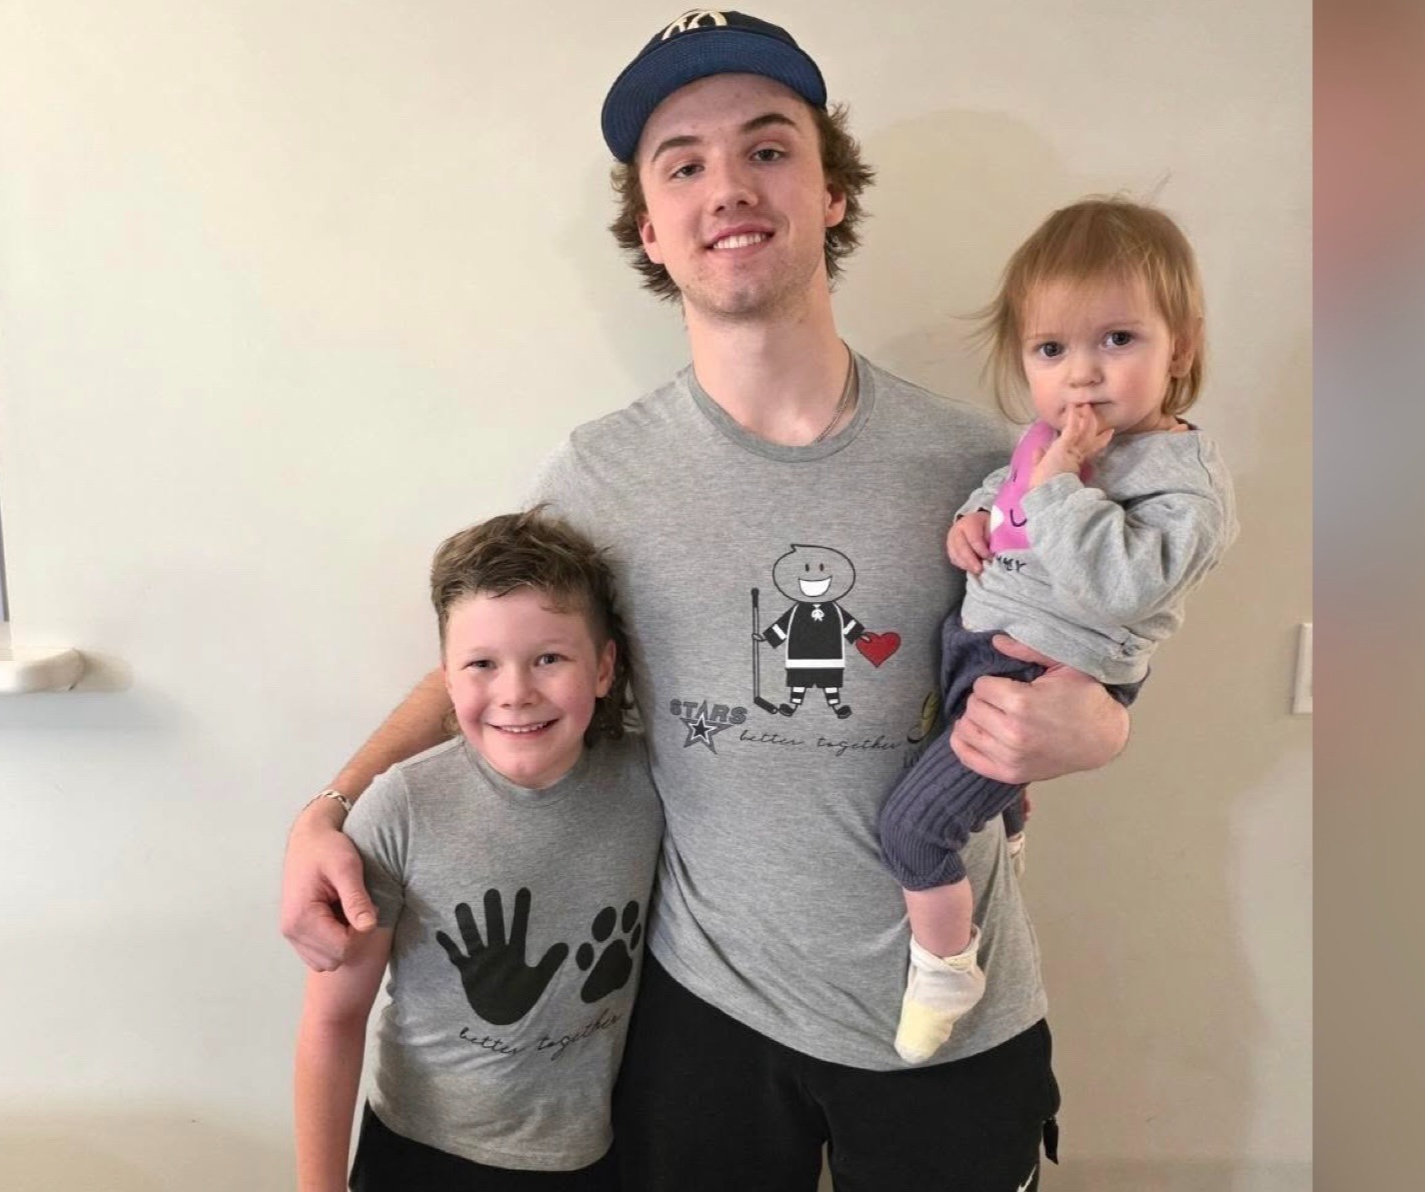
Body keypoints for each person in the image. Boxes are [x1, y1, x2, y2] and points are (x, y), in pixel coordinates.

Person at [282, 12, 1131, 1190]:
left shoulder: (979, 464)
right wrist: (330, 807)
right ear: (650, 228)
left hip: (955, 1007)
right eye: (682, 162)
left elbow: (1098, 632)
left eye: (769, 147)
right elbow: (493, 662)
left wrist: (1110, 725)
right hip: (706, 1022)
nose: (727, 184)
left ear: (833, 190)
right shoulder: (602, 474)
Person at [879, 198, 1239, 1064]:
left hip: (1048, 677)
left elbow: (1119, 584)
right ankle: (1012, 818)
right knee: (969, 789)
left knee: (911, 830)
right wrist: (974, 520)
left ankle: (946, 968)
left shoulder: (1186, 489)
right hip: (982, 652)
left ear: (1180, 346)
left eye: (1117, 340)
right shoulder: (1046, 442)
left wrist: (1058, 483)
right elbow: (1007, 500)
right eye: (1052, 350)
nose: (1081, 376)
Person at [291, 510, 661, 1192]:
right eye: (482, 664)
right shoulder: (401, 808)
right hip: (420, 1154)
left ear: (605, 667)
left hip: (592, 1153)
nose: (516, 692)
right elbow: (333, 1018)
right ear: (448, 679)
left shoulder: (648, 783)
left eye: (549, 658)